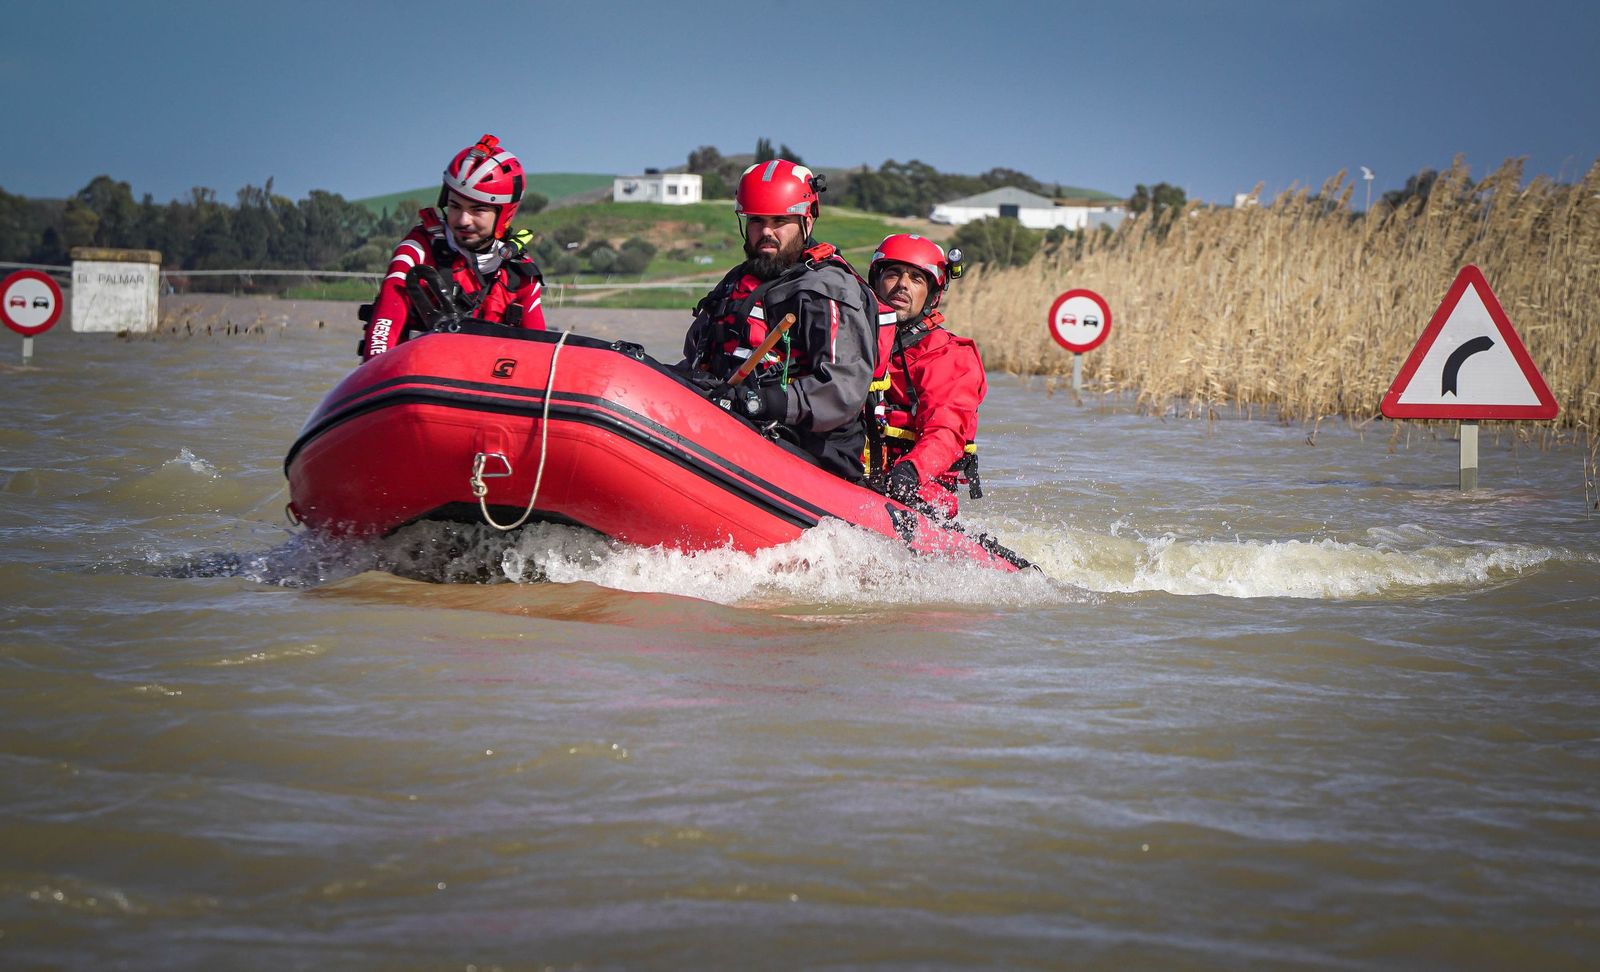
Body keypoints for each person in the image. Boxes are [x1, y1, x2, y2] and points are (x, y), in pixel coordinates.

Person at [680, 159, 890, 480]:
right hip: (733, 427)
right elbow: (696, 356)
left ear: (807, 221)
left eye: (780, 221)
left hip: (810, 449)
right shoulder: (736, 282)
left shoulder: (828, 288)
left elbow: (842, 389)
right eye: (756, 221)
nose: (766, 232)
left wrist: (762, 403)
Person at [360, 134, 545, 359]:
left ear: (504, 214)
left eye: (478, 210)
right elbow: (384, 325)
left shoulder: (521, 273)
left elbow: (540, 352)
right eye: (455, 206)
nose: (462, 220)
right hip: (411, 376)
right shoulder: (416, 251)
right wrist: (376, 365)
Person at [866, 233, 986, 518]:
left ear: (931, 295)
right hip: (850, 475)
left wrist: (911, 470)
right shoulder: (856, 339)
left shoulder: (948, 356)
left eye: (916, 279)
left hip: (916, 491)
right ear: (875, 283)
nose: (902, 285)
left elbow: (946, 430)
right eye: (893, 274)